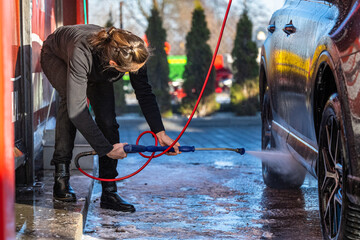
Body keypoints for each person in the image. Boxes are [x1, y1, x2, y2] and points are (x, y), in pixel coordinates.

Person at [40, 24, 180, 213]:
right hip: (57, 56)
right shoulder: (82, 51)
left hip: (99, 65)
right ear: (115, 65)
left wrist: (160, 132)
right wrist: (105, 149)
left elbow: (144, 93)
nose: (135, 73)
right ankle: (61, 177)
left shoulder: (133, 49)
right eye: (130, 71)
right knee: (69, 102)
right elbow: (77, 111)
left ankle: (109, 191)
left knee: (108, 121)